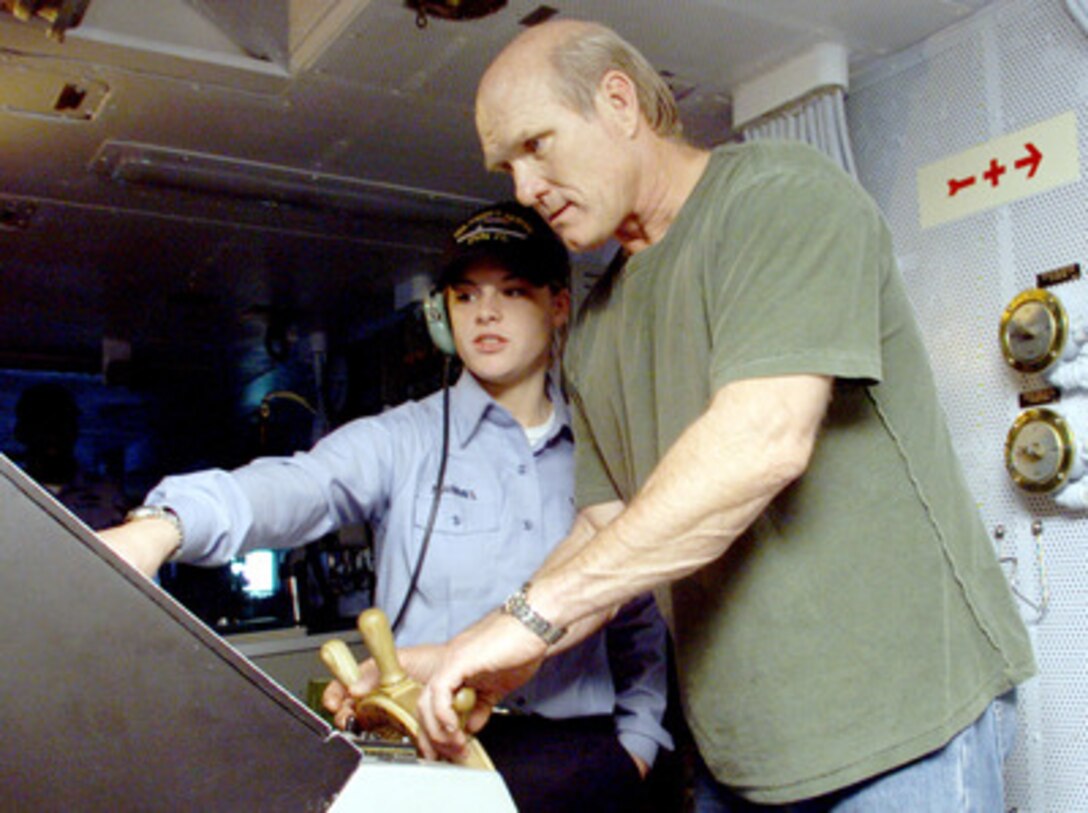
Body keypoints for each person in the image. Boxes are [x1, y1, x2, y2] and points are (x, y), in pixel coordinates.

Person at [411, 19, 1037, 812]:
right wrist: (485, 648)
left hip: (900, 730)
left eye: (539, 145)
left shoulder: (777, 196)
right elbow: (607, 530)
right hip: (738, 759)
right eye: (508, 166)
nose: (526, 188)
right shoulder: (597, 331)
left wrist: (531, 619)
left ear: (617, 101)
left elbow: (760, 441)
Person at [98, 201, 674, 813]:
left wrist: (635, 745)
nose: (486, 313)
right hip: (439, 753)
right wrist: (166, 526)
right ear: (443, 313)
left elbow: (637, 616)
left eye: (513, 291)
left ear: (558, 306)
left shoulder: (605, 450)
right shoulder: (403, 439)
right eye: (466, 295)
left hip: (581, 762)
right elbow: (302, 485)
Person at [13, 381, 127, 530]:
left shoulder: (107, 497)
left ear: (74, 431)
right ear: (22, 432)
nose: (52, 435)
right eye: (42, 425)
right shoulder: (8, 493)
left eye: (60, 424)